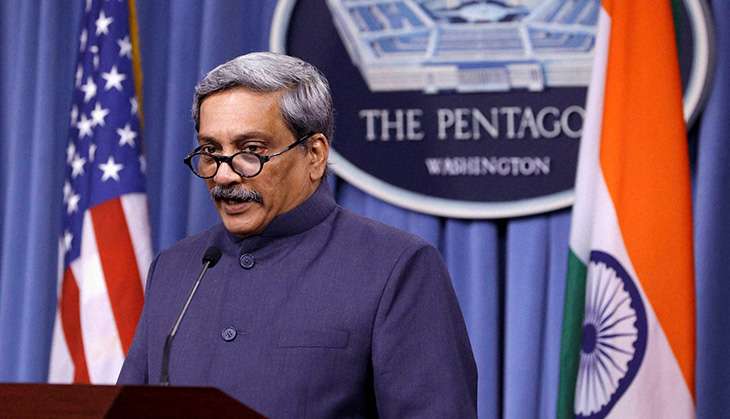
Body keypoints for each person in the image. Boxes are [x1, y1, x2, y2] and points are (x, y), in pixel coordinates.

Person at [118, 52, 477, 418]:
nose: (223, 175)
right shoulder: (177, 267)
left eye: (251, 150)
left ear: (315, 154)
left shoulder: (396, 267)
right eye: (211, 151)